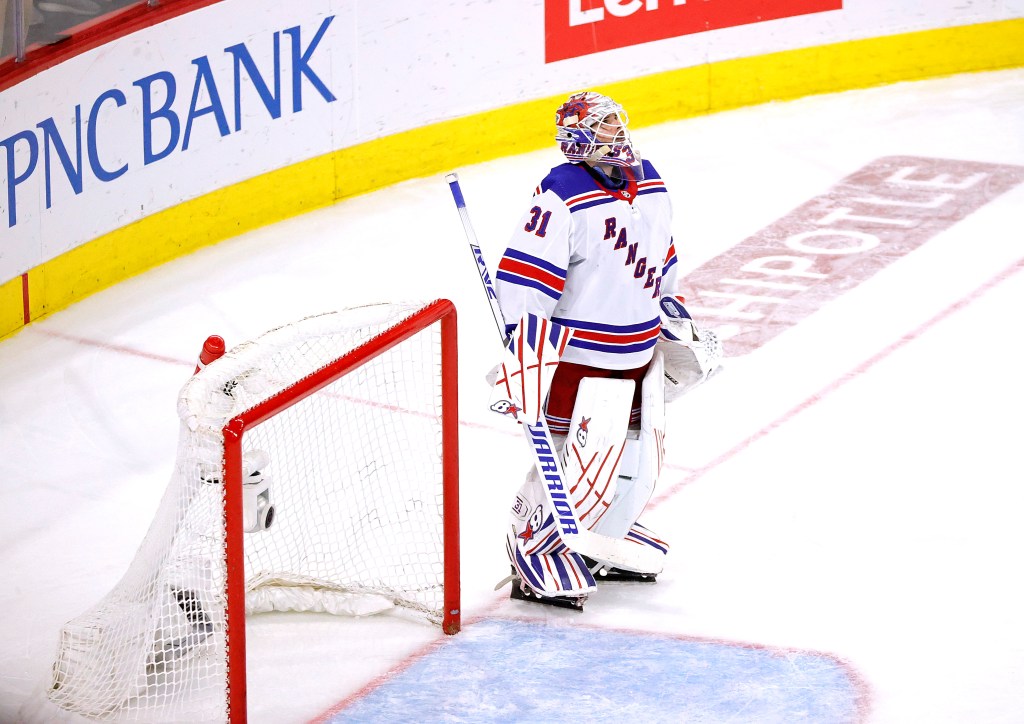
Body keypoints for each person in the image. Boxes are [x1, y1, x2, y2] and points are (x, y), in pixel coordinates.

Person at [491, 91, 721, 609]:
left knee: (637, 457)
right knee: (573, 458)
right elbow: (524, 275)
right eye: (606, 126)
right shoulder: (563, 192)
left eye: (619, 122)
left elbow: (662, 253)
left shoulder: (651, 180)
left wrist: (669, 307)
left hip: (639, 351)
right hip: (580, 357)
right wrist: (524, 340)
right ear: (579, 140)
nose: (619, 133)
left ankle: (599, 537)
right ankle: (534, 543)